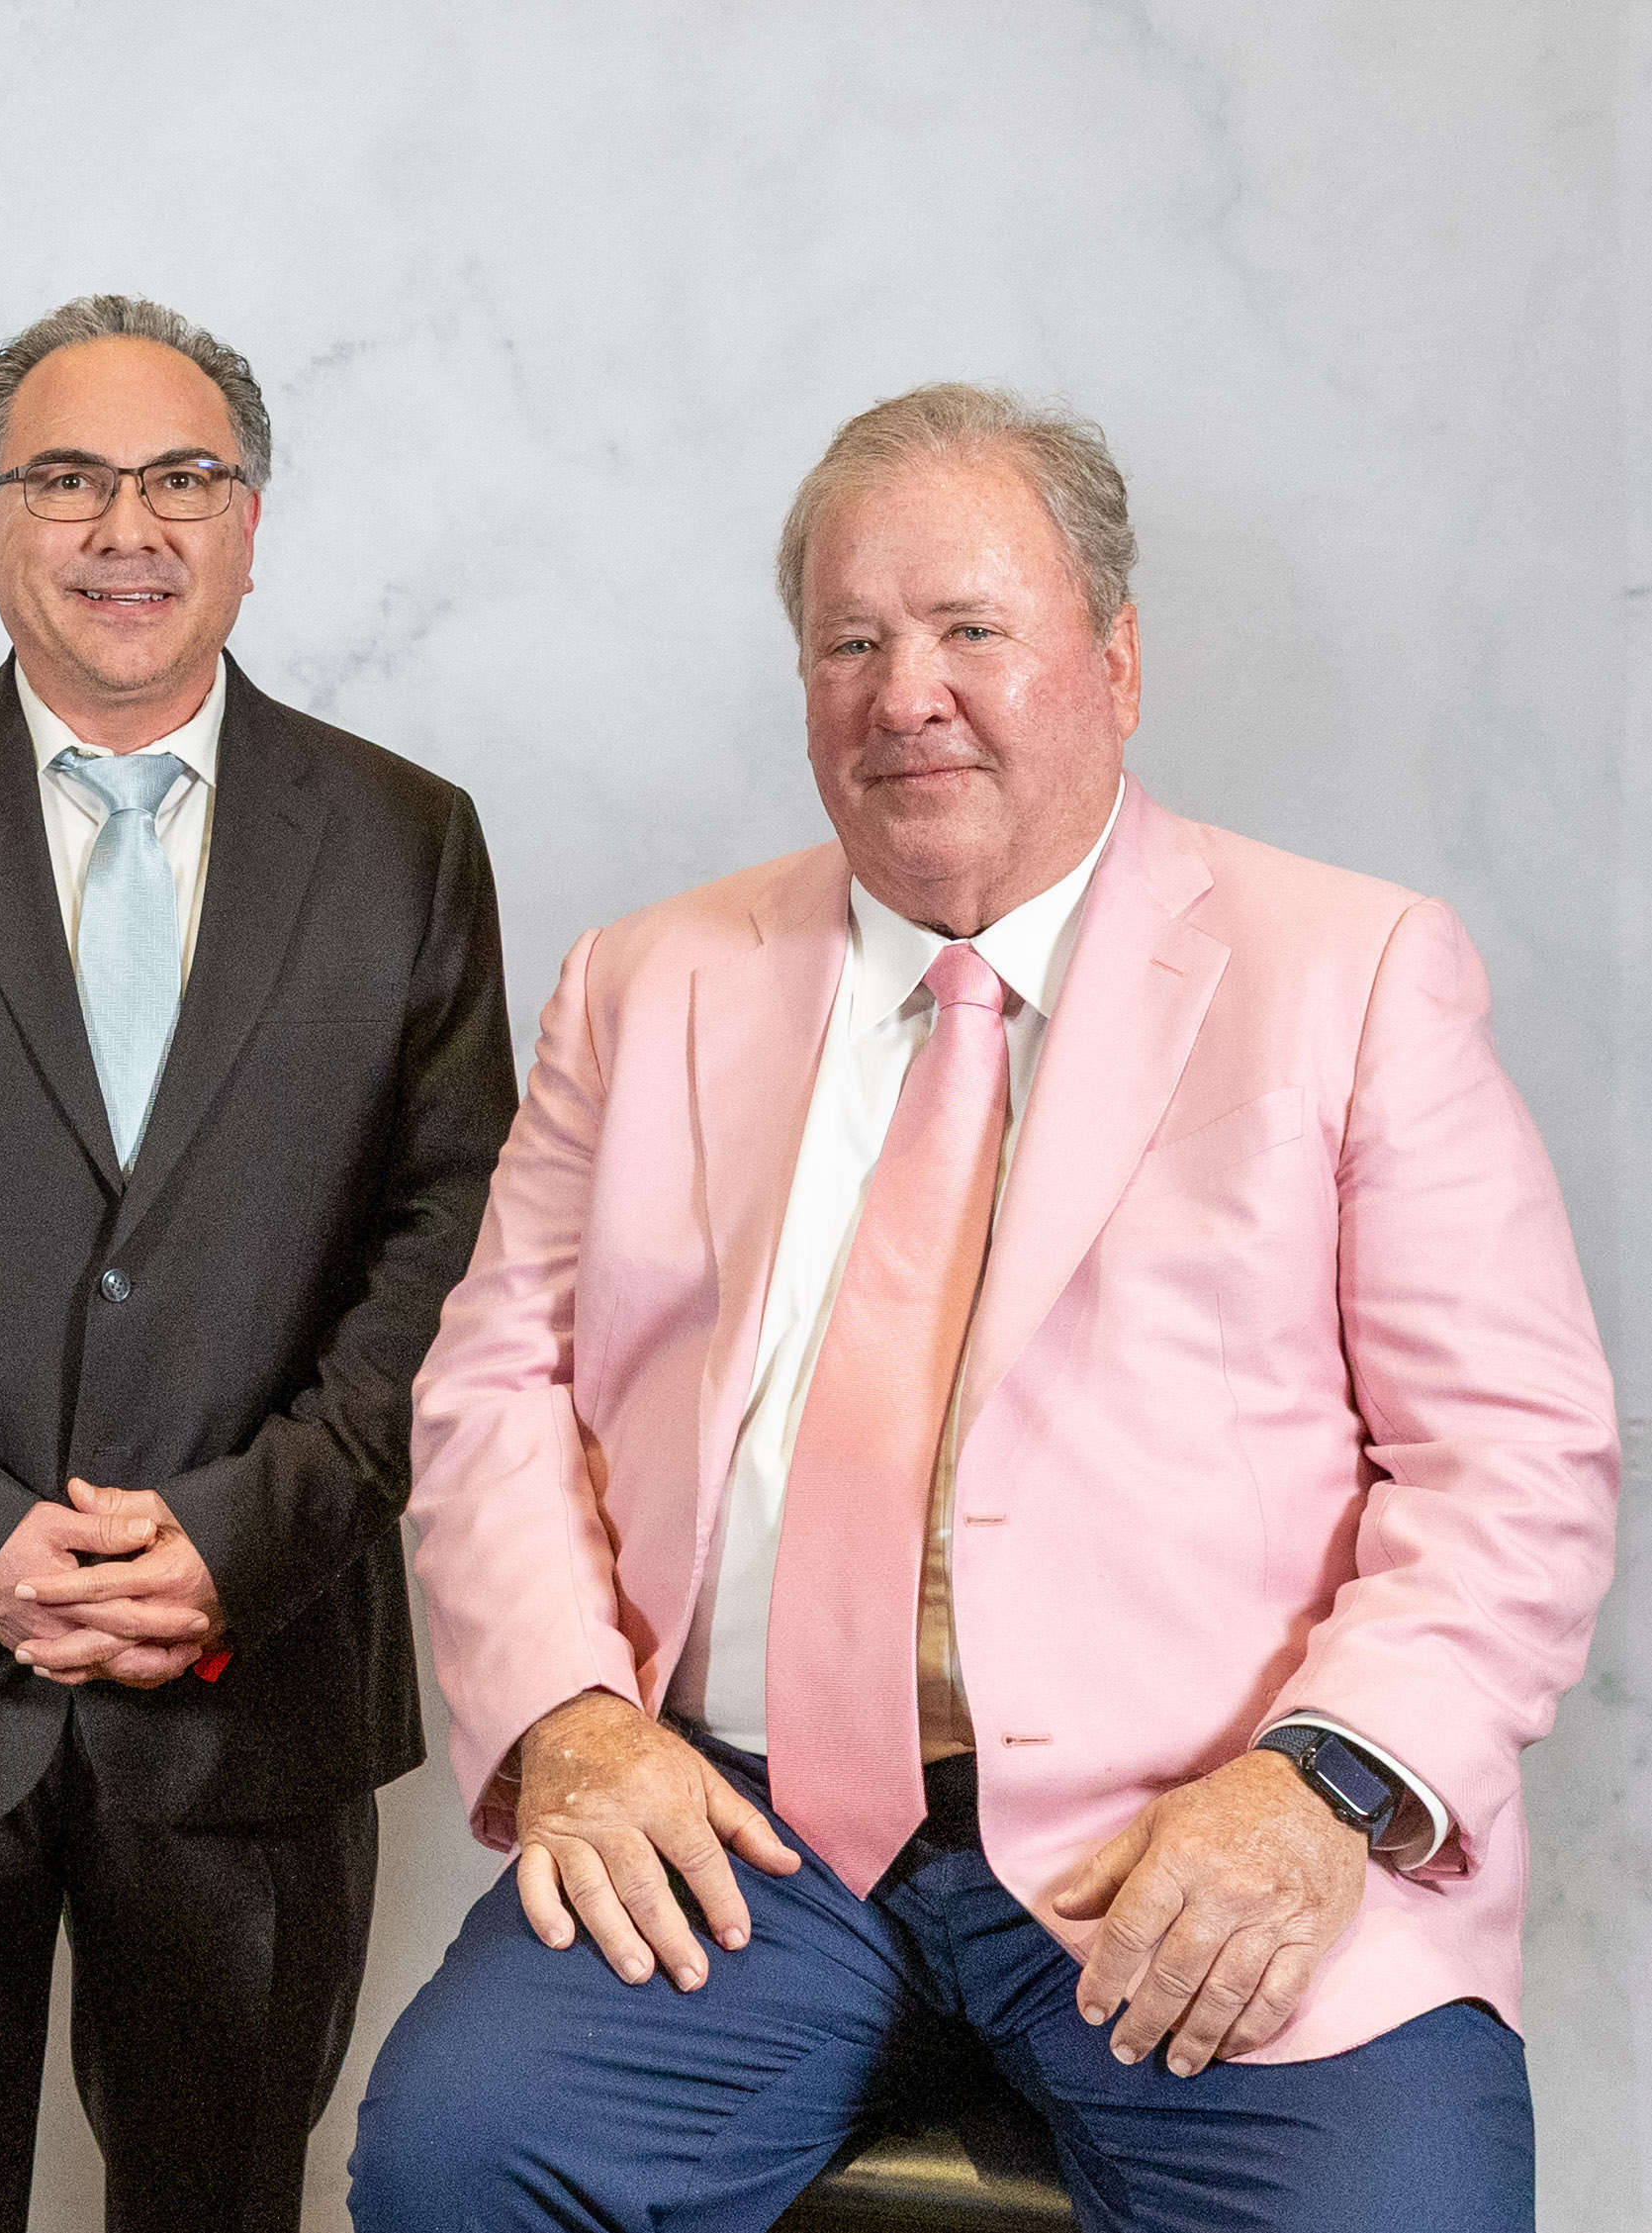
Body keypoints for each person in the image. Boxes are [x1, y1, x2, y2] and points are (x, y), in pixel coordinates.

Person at [353, 385, 1619, 2232]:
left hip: (1189, 1820)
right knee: (458, 2156)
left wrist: (1321, 1780)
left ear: (1115, 661)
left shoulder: (1350, 972)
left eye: (969, 628)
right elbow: (495, 1385)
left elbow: (1509, 1456)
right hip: (744, 1824)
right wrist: (568, 1710)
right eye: (849, 643)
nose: (904, 693)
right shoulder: (644, 981)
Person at [0, 294, 518, 2233]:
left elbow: (459, 1241)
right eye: (65, 478)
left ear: (249, 521)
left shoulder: (403, 838)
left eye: (180, 478)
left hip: (252, 1676)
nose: (125, 526)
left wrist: (242, 1531)